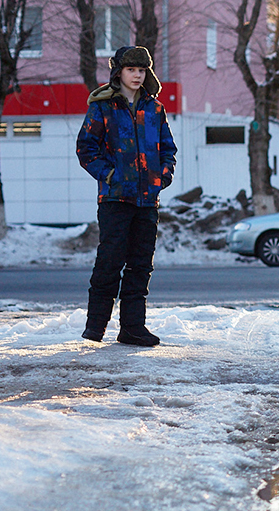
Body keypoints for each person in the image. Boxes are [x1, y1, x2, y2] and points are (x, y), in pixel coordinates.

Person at [76, 46, 177, 346]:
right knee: (109, 262)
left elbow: (167, 148)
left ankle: (133, 328)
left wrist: (164, 175)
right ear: (118, 71)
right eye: (131, 69)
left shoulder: (155, 109)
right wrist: (109, 175)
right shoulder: (103, 107)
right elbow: (86, 149)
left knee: (140, 265)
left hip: (148, 200)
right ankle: (95, 328)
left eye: (142, 70)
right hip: (114, 199)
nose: (137, 75)